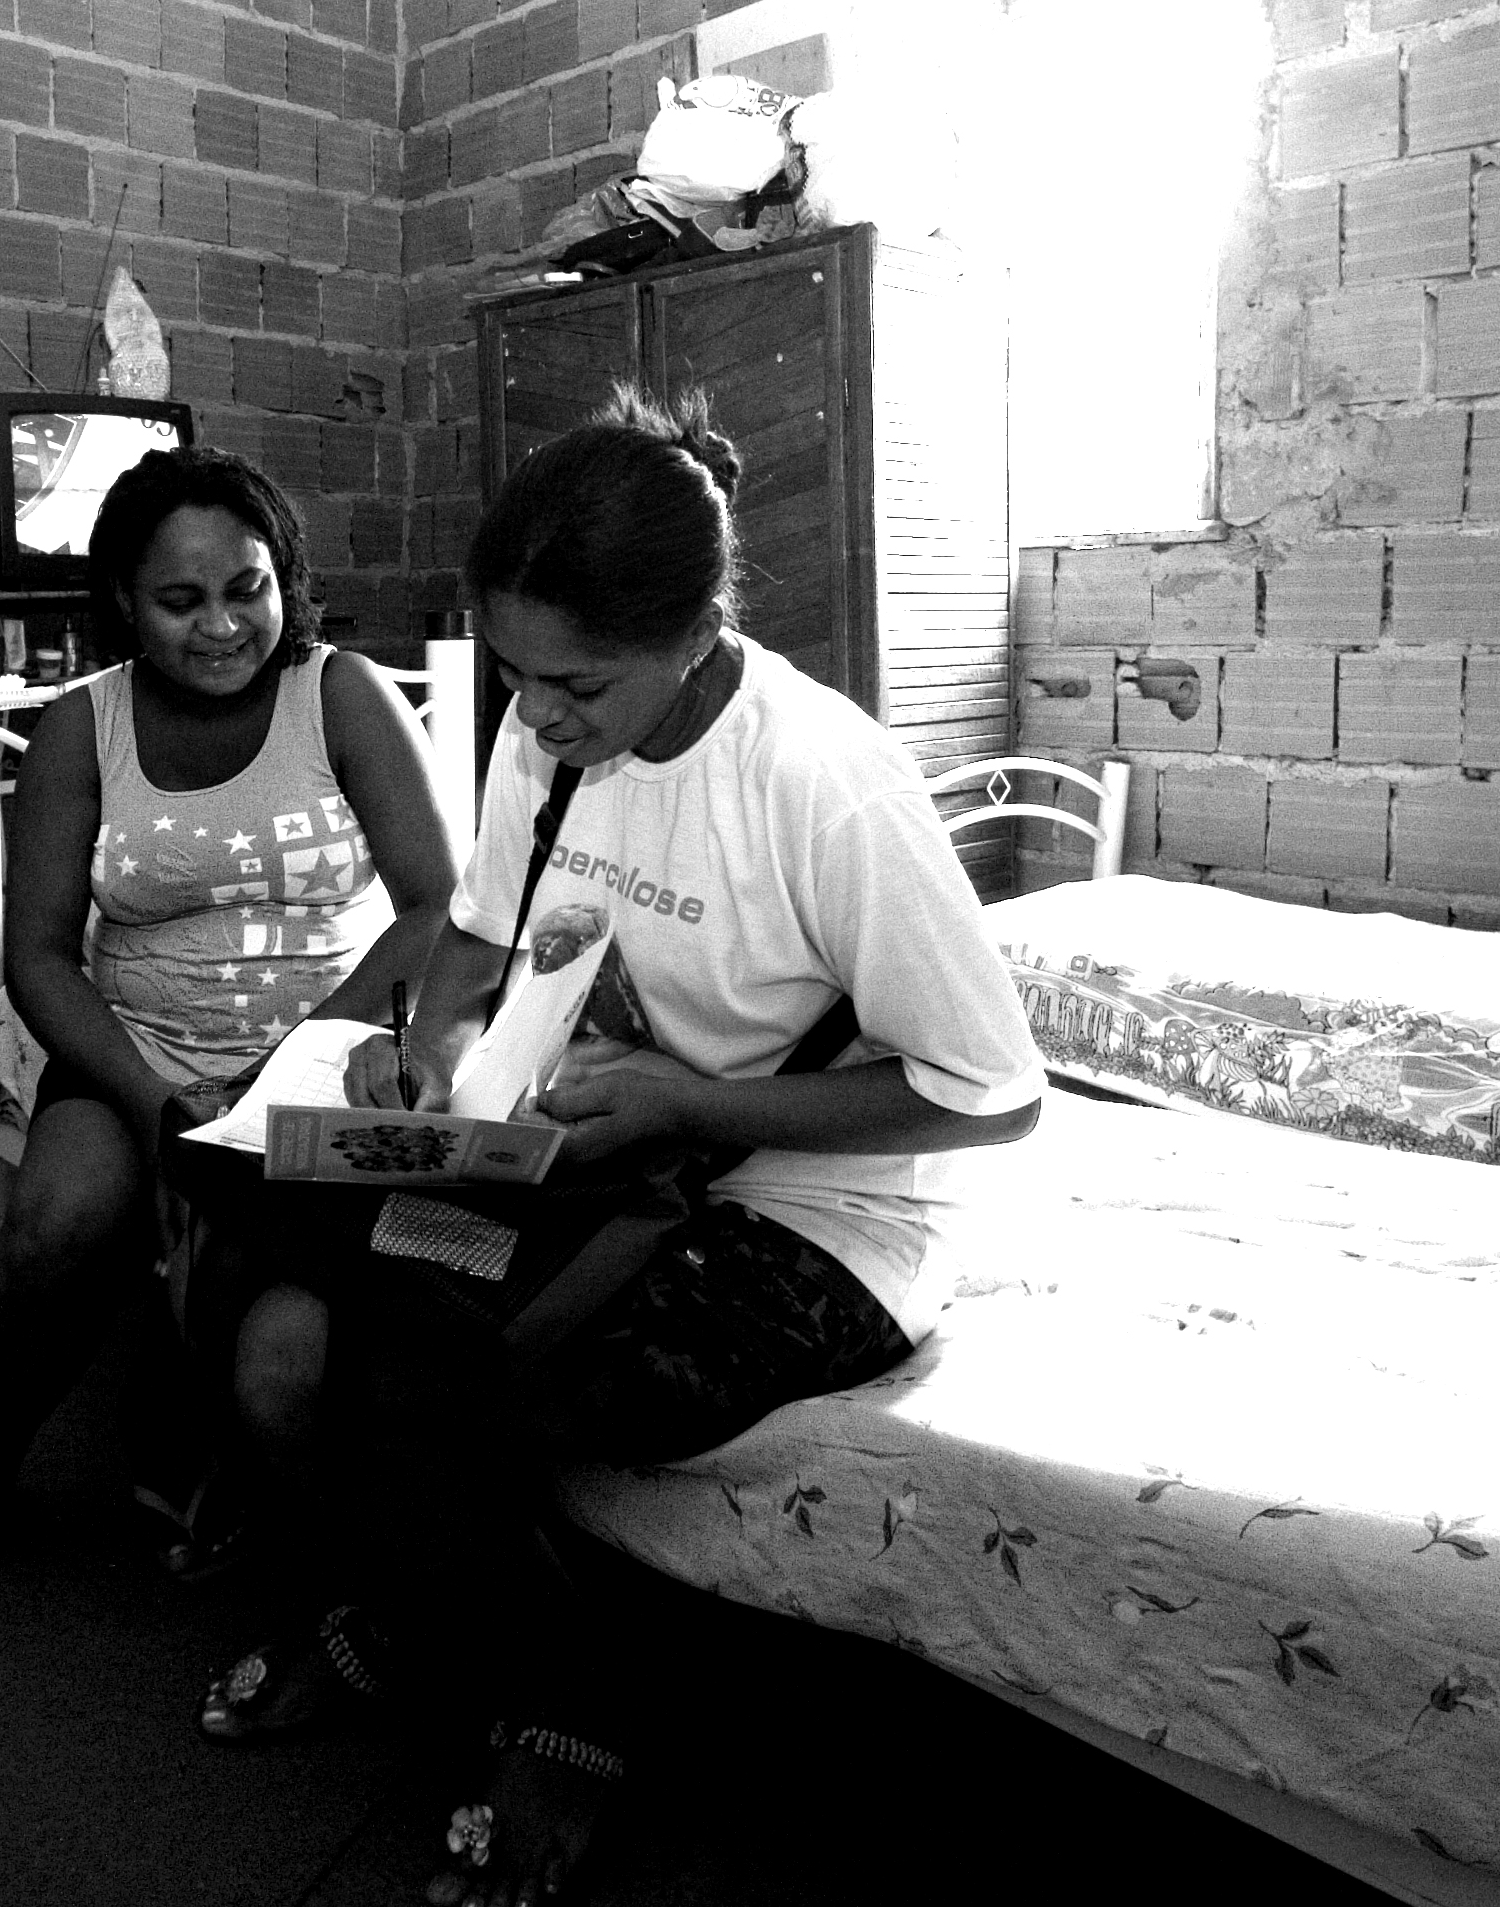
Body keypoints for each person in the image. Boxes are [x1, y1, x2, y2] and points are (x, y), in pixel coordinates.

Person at [196, 386, 1048, 1907]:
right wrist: (428, 1046)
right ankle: (421, 1614)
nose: (536, 718)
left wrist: (688, 1101)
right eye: (517, 676)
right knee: (329, 1290)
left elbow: (989, 1093)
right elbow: (475, 931)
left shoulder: (821, 781)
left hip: (822, 1210)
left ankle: (567, 1707)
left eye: (575, 683)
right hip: (607, 1159)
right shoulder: (554, 734)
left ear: (699, 631)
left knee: (527, 1380)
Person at [0, 443, 456, 1637]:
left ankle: (202, 1426)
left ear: (283, 578)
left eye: (248, 588)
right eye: (180, 599)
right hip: (135, 1048)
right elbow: (40, 955)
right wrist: (157, 1098)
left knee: (286, 1267)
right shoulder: (81, 726)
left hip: (322, 1052)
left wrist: (287, 1069)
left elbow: (435, 907)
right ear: (124, 599)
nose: (222, 625)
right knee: (58, 1222)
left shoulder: (343, 695)